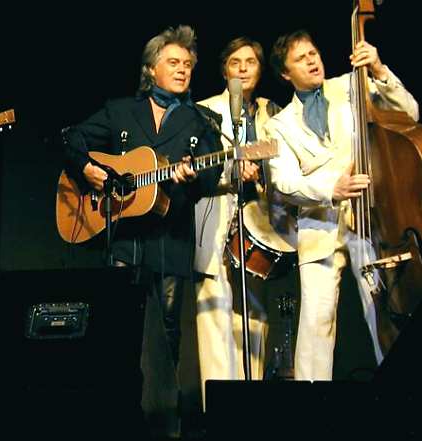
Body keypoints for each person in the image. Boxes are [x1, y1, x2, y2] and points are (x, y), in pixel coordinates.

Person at [63, 25, 223, 439]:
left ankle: (164, 421)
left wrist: (192, 175)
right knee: (118, 323)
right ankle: (115, 412)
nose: (183, 69)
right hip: (124, 238)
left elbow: (212, 176)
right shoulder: (120, 111)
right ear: (151, 69)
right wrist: (88, 169)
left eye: (188, 64)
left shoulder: (202, 121)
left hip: (171, 239)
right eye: (173, 62)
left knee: (167, 330)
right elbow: (72, 139)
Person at [263, 30, 418, 381]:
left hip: (372, 219)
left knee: (384, 312)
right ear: (285, 73)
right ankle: (311, 402)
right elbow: (283, 182)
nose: (312, 61)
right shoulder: (279, 124)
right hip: (320, 225)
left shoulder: (351, 84)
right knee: (316, 323)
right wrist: (331, 188)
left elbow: (410, 113)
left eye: (313, 53)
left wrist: (378, 69)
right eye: (300, 58)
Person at [194, 37, 293, 403]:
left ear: (260, 69)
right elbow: (197, 168)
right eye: (234, 62)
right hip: (217, 221)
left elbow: (285, 160)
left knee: (254, 319)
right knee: (215, 319)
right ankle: (218, 411)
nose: (242, 68)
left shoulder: (273, 112)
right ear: (224, 70)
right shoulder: (205, 111)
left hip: (258, 228)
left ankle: (249, 408)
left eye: (250, 61)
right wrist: (232, 171)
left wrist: (262, 171)